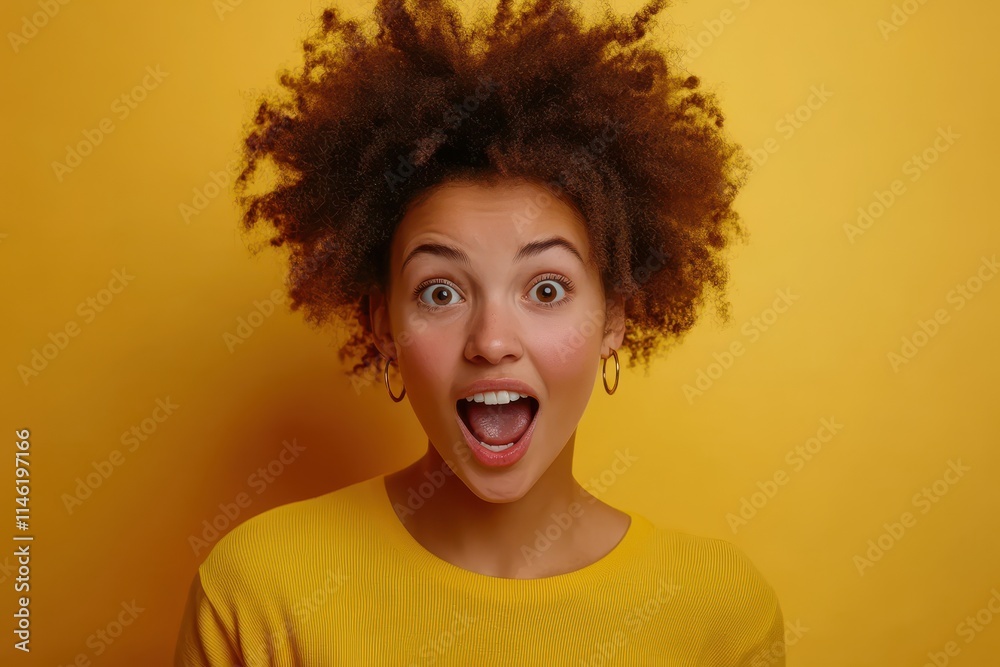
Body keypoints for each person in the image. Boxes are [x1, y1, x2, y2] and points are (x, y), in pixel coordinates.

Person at [175, 0, 785, 664]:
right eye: (441, 292)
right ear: (382, 325)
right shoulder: (257, 589)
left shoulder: (719, 613)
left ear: (615, 318)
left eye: (545, 289)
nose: (491, 340)